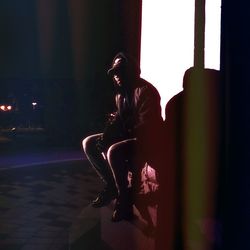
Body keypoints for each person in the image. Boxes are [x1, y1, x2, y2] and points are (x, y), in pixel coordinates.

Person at [82, 52, 163, 222]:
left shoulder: (146, 91)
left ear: (132, 71)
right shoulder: (120, 94)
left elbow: (146, 127)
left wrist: (117, 134)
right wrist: (107, 133)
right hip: (129, 135)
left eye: (121, 71)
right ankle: (112, 185)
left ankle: (125, 199)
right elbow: (120, 121)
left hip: (148, 140)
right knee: (89, 142)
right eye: (115, 73)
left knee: (114, 151)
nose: (117, 76)